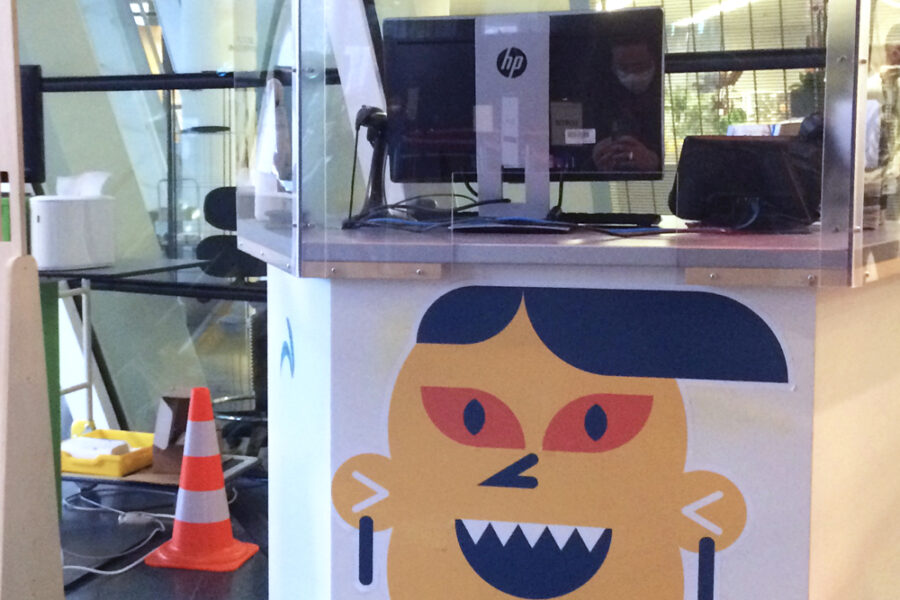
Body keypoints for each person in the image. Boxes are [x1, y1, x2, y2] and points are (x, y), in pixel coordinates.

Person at [591, 38, 662, 173]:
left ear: (655, 61)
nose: (632, 74)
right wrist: (594, 158)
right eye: (623, 68)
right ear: (613, 67)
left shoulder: (668, 98)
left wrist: (655, 163)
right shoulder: (598, 101)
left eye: (639, 66)